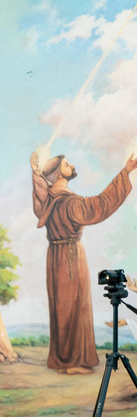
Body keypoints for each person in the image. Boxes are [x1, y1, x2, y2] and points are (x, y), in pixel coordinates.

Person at [31, 151, 137, 374]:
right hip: (71, 257)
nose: (72, 165)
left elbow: (41, 199)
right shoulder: (70, 203)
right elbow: (99, 205)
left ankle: (63, 360)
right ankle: (73, 363)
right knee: (74, 305)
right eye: (67, 164)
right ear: (58, 171)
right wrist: (125, 172)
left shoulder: (50, 200)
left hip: (55, 257)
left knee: (62, 306)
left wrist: (35, 175)